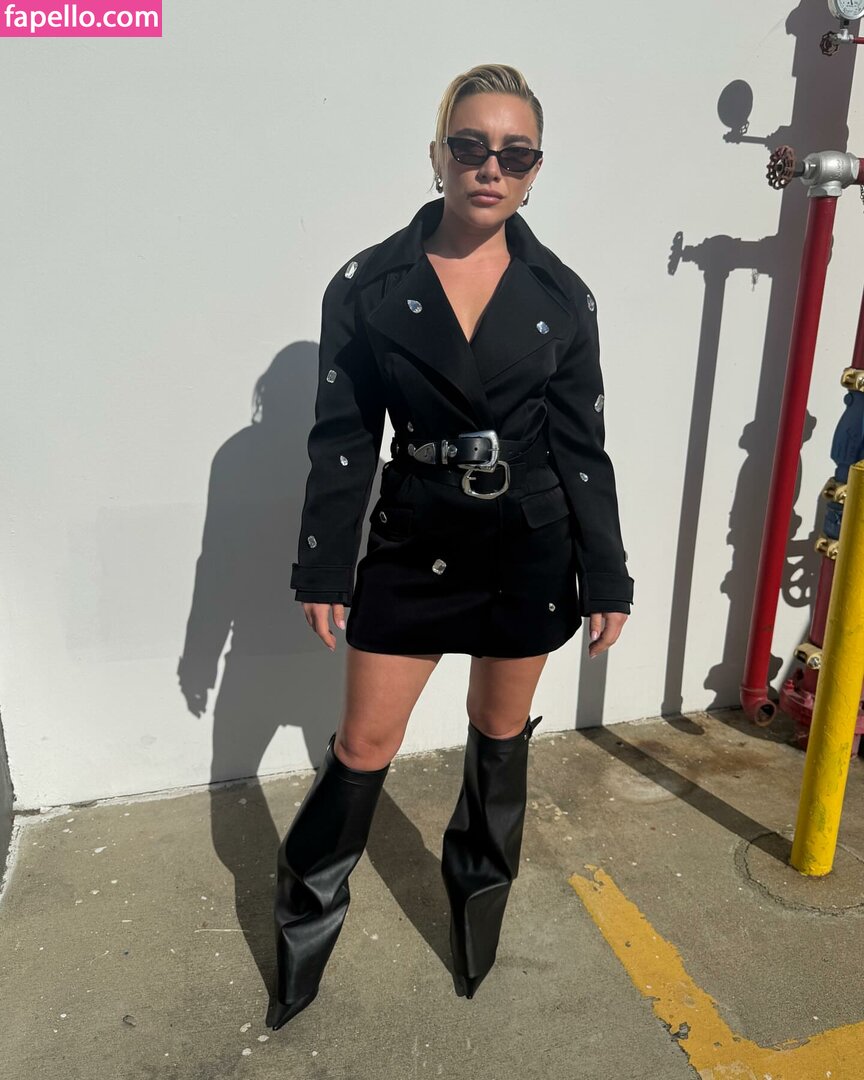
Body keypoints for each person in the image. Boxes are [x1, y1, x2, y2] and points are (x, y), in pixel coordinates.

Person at [269, 63, 634, 1031]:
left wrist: (607, 572)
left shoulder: (562, 294)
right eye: (470, 146)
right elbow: (344, 436)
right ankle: (303, 932)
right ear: (437, 156)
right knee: (363, 745)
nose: (490, 167)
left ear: (535, 170)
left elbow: (582, 447)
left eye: (515, 154)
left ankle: (477, 924)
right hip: (416, 536)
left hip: (529, 543)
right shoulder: (369, 284)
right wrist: (323, 562)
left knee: (499, 742)